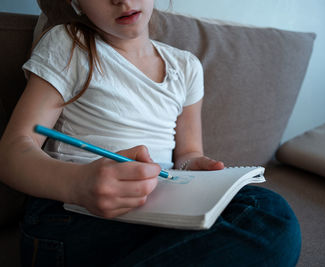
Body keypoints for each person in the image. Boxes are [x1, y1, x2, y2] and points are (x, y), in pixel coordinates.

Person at [0, 0, 301, 266]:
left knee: (261, 209)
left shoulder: (185, 67)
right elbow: (13, 151)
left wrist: (196, 167)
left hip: (158, 209)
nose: (121, 0)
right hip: (74, 213)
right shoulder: (70, 43)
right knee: (270, 219)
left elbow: (187, 154)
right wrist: (78, 185)